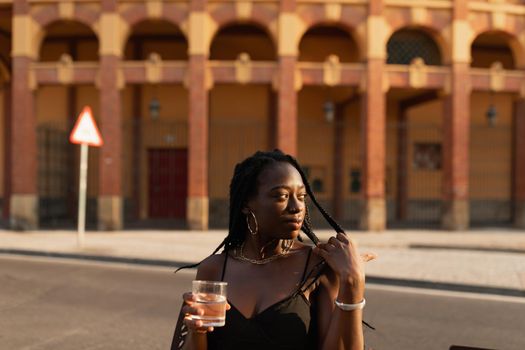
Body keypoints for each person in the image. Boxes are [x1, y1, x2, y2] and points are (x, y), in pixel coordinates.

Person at [175, 150, 375, 350]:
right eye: (281, 196)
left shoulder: (317, 266)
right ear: (246, 204)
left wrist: (353, 282)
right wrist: (196, 330)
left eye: (301, 196)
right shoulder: (214, 269)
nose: (297, 207)